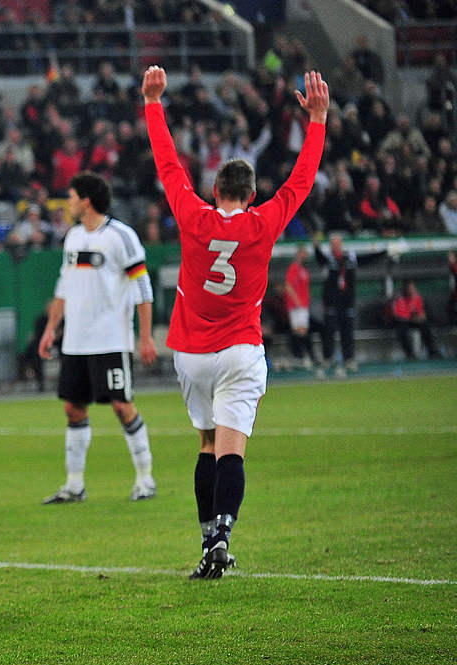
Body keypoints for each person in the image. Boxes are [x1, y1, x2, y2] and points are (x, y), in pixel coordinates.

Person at [143, 66, 329, 580]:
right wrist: (317, 121)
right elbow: (301, 181)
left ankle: (206, 542)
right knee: (232, 449)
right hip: (241, 350)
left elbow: (168, 166)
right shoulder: (264, 223)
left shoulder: (192, 215)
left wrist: (153, 104)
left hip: (193, 353)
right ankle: (223, 537)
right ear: (250, 195)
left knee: (206, 444)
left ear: (215, 189)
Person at [37, 172, 158, 503]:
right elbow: (63, 286)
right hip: (75, 341)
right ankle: (74, 485)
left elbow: (142, 287)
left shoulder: (122, 236)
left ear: (86, 201)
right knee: (74, 410)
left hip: (111, 339)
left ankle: (145, 479)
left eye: (73, 196)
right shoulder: (73, 237)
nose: (69, 201)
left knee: (122, 406)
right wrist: (52, 329)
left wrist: (145, 336)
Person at [315, 232, 387, 376]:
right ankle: (328, 359)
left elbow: (367, 259)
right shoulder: (329, 260)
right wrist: (316, 246)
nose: (335, 246)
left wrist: (385, 252)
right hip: (332, 304)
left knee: (347, 333)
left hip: (347, 303)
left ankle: (349, 359)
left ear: (340, 244)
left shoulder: (350, 258)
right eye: (332, 244)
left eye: (337, 243)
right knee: (329, 333)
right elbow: (319, 258)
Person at [284, 244, 318, 370]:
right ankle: (305, 356)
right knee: (300, 330)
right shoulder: (294, 268)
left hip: (303, 304)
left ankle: (302, 356)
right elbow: (288, 286)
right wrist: (296, 300)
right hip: (296, 305)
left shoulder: (304, 269)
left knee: (301, 330)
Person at [390, 280, 441, 360]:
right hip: (402, 322)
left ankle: (432, 351)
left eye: (413, 288)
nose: (411, 290)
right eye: (409, 289)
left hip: (414, 321)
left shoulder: (417, 297)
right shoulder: (399, 298)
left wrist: (420, 317)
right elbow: (397, 315)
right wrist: (410, 317)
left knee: (425, 326)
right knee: (402, 331)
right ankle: (410, 354)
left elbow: (421, 313)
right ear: (405, 289)